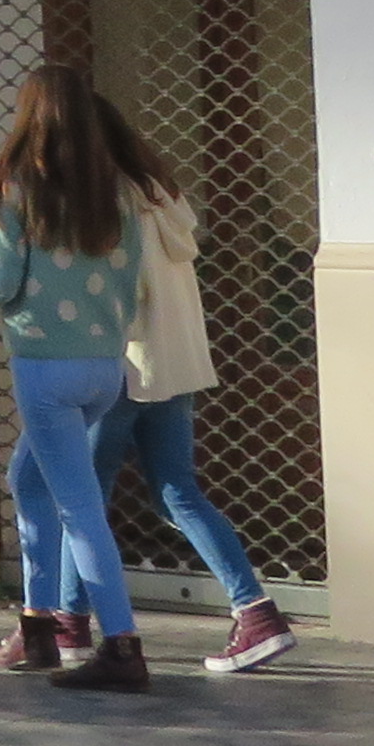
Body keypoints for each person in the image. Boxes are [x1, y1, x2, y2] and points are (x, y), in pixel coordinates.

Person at [0, 65, 167, 696]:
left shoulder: (14, 189)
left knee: (79, 509)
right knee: (29, 480)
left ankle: (121, 645)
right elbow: (130, 279)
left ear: (27, 116)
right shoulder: (118, 191)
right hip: (104, 365)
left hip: (46, 367)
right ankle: (36, 627)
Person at [95, 175, 302, 674]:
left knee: (81, 500)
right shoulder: (165, 201)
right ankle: (255, 611)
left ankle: (67, 624)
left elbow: (118, 295)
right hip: (176, 367)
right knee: (178, 492)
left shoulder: (108, 205)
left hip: (124, 368)